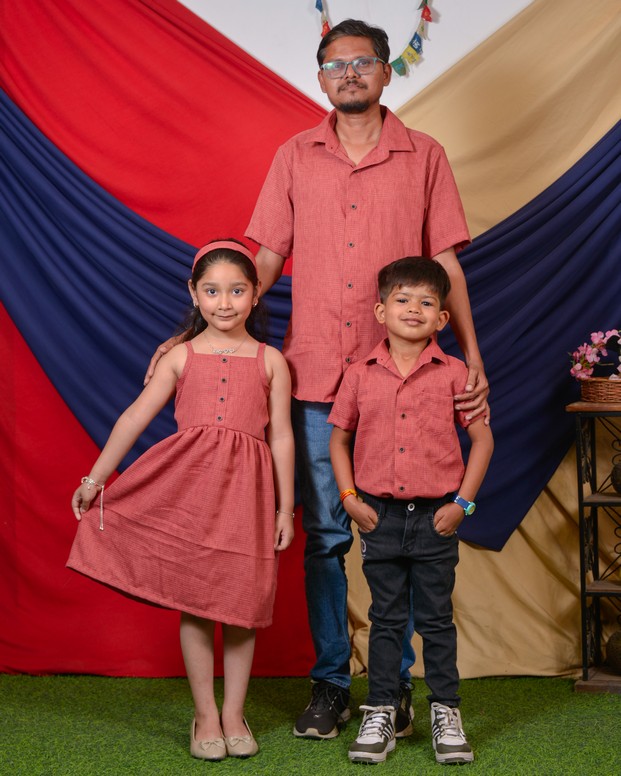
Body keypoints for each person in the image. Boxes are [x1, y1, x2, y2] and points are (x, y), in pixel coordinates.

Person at [243, 18, 489, 740]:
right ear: (320, 78)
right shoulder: (294, 155)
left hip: (403, 383)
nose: (348, 73)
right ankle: (330, 684)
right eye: (334, 64)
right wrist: (215, 327)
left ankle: (396, 688)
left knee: (405, 539)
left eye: (362, 62)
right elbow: (266, 256)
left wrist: (472, 356)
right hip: (317, 378)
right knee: (325, 537)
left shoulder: (425, 155)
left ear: (386, 72)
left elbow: (445, 264)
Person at [68, 240, 295, 761]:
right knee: (196, 604)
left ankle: (235, 713)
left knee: (240, 605)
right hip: (187, 492)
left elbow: (282, 436)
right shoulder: (179, 356)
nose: (224, 302)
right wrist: (96, 478)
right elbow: (134, 416)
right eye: (212, 291)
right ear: (194, 294)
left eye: (236, 291)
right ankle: (206, 715)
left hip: (246, 497)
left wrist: (284, 508)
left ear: (255, 294)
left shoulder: (271, 361)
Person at [329, 257, 494, 764]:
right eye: (402, 299)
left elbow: (483, 440)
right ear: (381, 311)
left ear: (442, 318)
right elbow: (339, 440)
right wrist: (349, 498)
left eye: (426, 302)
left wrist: (462, 504)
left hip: (436, 518)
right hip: (378, 517)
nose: (414, 309)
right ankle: (381, 710)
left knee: (437, 620)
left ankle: (446, 712)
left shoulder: (456, 374)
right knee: (385, 619)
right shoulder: (359, 375)